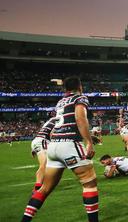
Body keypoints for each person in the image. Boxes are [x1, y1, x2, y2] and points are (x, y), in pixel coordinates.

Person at [20, 77, 99, 221]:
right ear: (80, 86)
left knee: (44, 189)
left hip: (53, 146)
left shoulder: (60, 102)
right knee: (89, 183)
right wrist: (89, 142)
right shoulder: (80, 98)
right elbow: (80, 118)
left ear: (65, 89)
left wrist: (89, 137)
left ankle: (25, 220)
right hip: (70, 144)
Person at [30, 116, 57, 192]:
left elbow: (44, 131)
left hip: (39, 141)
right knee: (44, 164)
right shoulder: (60, 119)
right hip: (43, 141)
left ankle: (43, 183)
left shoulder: (52, 119)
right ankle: (37, 187)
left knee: (49, 163)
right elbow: (52, 133)